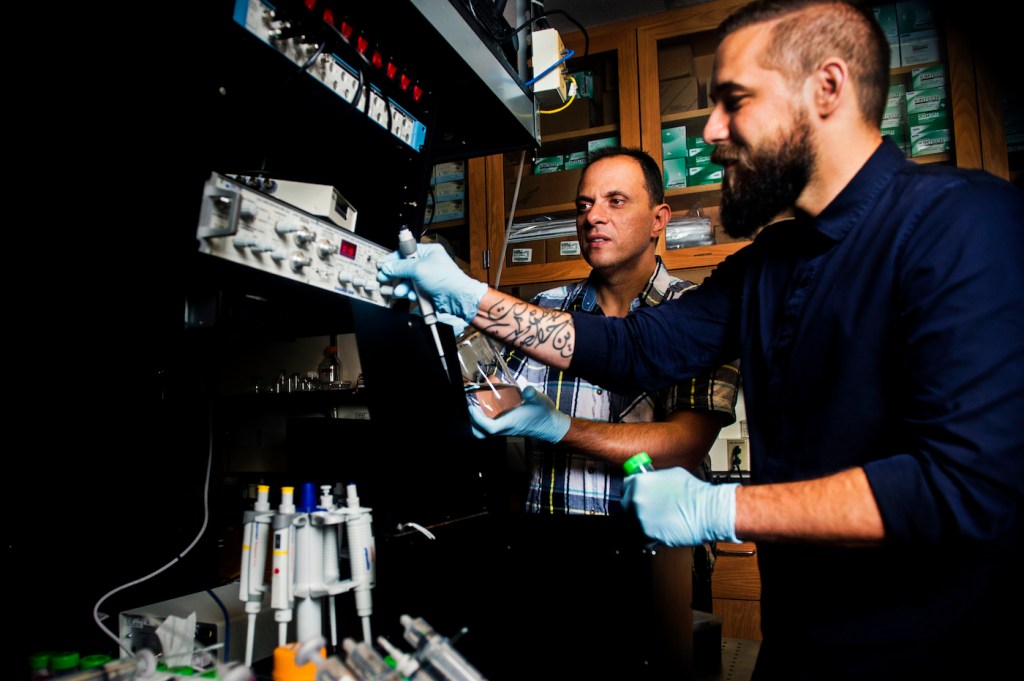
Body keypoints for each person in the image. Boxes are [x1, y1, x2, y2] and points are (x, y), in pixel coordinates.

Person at [379, 0, 1024, 677]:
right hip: (800, 648)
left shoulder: (964, 222)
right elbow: (632, 347)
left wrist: (720, 505)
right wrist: (473, 298)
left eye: (734, 100)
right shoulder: (768, 266)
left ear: (827, 88)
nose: (712, 129)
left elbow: (963, 483)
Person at [476, 146, 738, 611]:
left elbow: (684, 445)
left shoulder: (700, 313)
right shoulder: (544, 310)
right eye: (584, 204)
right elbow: (491, 397)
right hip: (553, 556)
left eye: (615, 201)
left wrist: (559, 426)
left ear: (659, 219)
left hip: (660, 559)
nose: (593, 217)